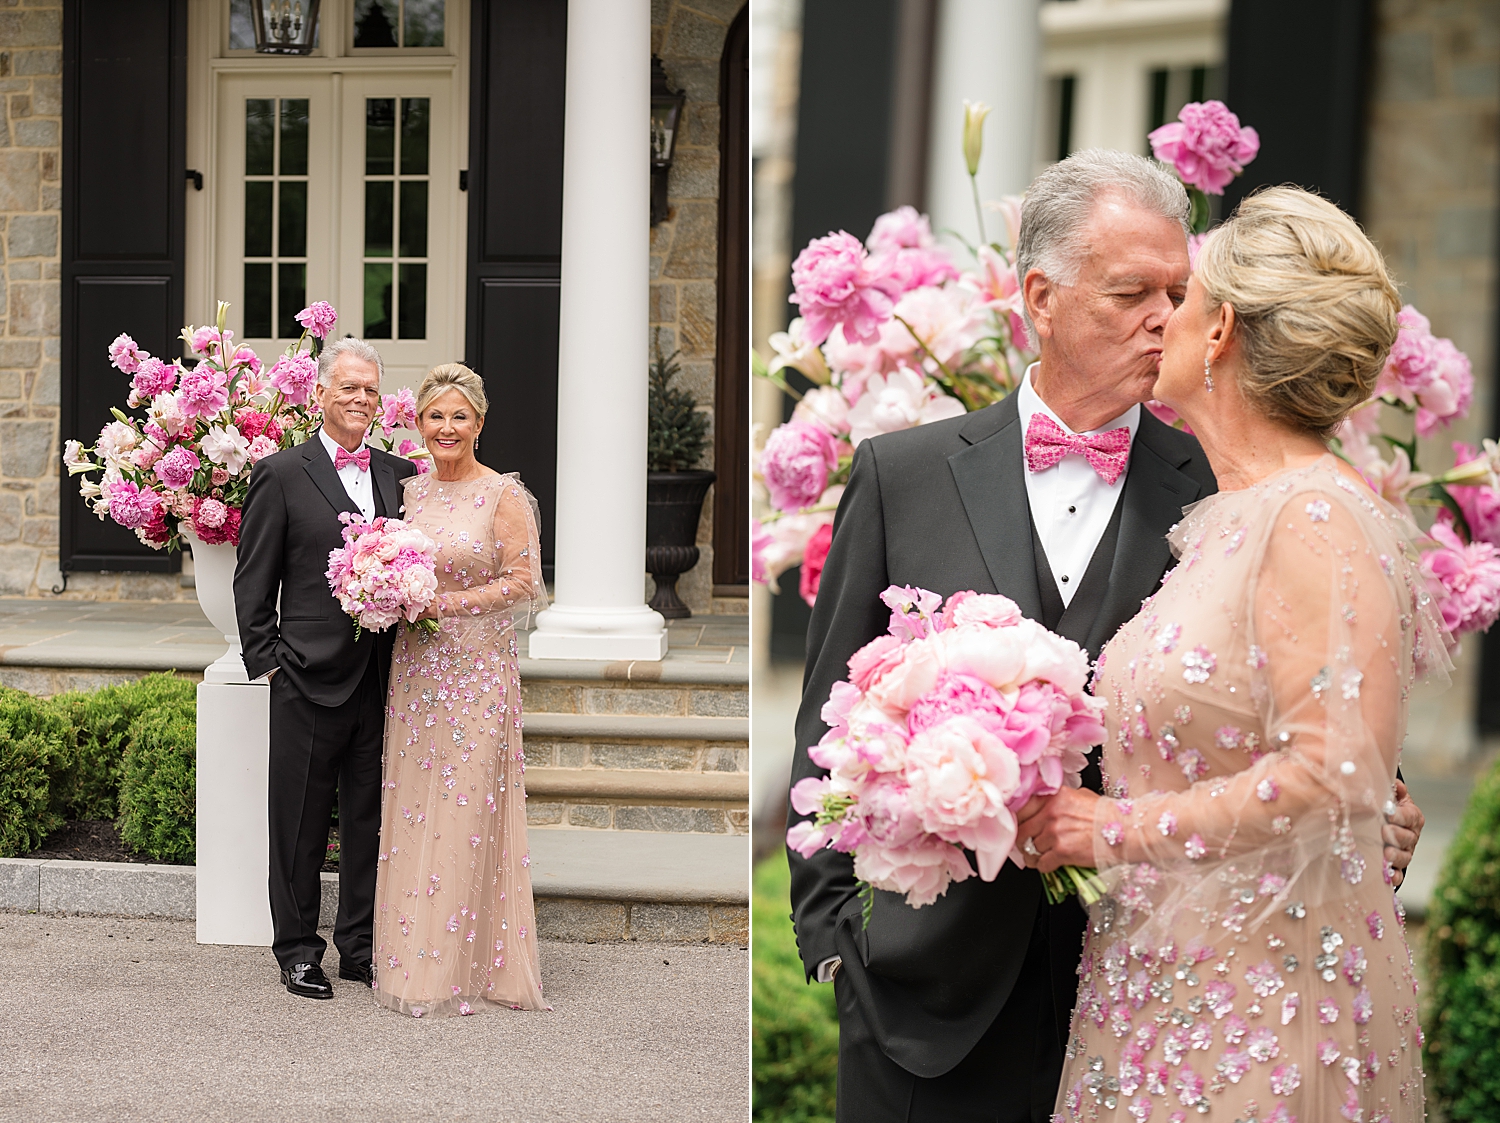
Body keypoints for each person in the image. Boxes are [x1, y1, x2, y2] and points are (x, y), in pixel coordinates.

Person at [784, 150, 1428, 1122]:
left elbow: (1329, 741)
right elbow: (828, 721)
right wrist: (836, 934)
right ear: (1039, 297)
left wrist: (1380, 809)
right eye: (1133, 292)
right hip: (930, 998)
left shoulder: (1238, 496)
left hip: (1180, 981)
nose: (1163, 316)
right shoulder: (902, 474)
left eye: (1180, 291)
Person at [1016, 185, 1445, 1121]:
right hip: (1158, 977)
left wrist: (1109, 831)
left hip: (1261, 1004)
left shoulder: (1315, 514)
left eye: (1187, 295)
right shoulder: (1227, 519)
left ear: (1221, 335)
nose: (1163, 315)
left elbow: (1336, 772)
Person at [235, 337, 419, 1000]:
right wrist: (272, 664)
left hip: (380, 676)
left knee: (369, 820)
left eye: (371, 390)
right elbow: (253, 582)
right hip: (305, 677)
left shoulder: (402, 475)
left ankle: (360, 947)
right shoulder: (282, 472)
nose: (362, 400)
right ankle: (296, 949)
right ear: (320, 394)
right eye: (349, 388)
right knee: (300, 823)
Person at [371, 362, 549, 1017]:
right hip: (415, 672)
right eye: (435, 416)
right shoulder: (408, 494)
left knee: (467, 811)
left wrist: (445, 603)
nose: (447, 427)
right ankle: (412, 955)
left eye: (459, 416)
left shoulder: (500, 493)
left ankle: (471, 962)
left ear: (479, 421)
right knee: (416, 806)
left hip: (476, 672)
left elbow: (523, 581)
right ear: (419, 423)